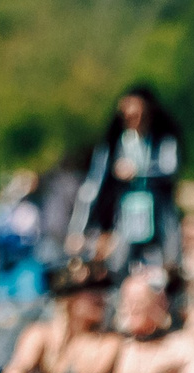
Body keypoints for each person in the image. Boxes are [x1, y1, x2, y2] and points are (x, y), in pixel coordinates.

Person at [74, 87, 182, 274]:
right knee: (118, 266)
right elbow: (92, 188)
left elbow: (170, 169)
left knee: (169, 268)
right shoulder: (112, 144)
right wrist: (79, 230)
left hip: (160, 217)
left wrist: (137, 171)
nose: (133, 120)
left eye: (138, 114)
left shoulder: (164, 140)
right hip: (124, 217)